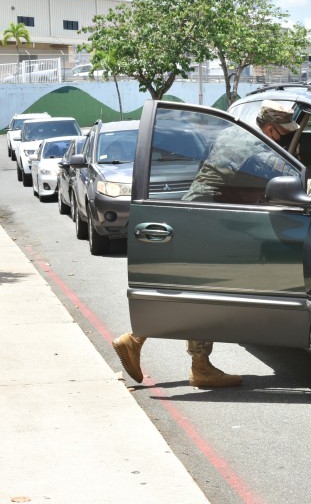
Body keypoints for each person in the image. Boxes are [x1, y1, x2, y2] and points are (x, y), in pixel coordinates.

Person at [112, 100, 300, 388]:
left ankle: (187, 361)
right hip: (208, 215)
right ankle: (163, 351)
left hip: (200, 210)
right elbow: (290, 176)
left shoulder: (234, 134)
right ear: (272, 129)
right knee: (207, 291)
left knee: (195, 291)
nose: (284, 138)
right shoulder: (256, 147)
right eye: (283, 133)